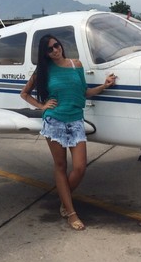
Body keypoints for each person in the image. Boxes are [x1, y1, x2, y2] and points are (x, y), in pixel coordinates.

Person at [21, 35, 116, 230]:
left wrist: (104, 86)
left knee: (80, 167)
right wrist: (42, 106)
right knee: (61, 166)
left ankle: (64, 200)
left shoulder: (76, 65)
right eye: (50, 49)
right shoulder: (44, 70)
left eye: (57, 45)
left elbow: (84, 92)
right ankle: (71, 213)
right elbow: (24, 93)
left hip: (76, 121)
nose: (55, 50)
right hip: (54, 120)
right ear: (45, 54)